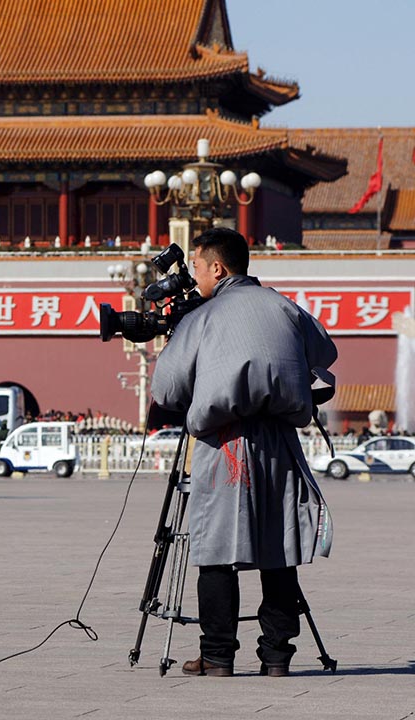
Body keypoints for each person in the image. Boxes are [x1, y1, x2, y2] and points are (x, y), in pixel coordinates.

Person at [151, 227, 337, 678]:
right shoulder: (285, 306)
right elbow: (325, 352)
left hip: (223, 442)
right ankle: (276, 656)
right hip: (279, 440)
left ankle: (217, 656)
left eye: (195, 267)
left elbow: (166, 388)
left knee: (215, 549)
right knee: (279, 547)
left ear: (218, 267)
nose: (193, 277)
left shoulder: (204, 317)